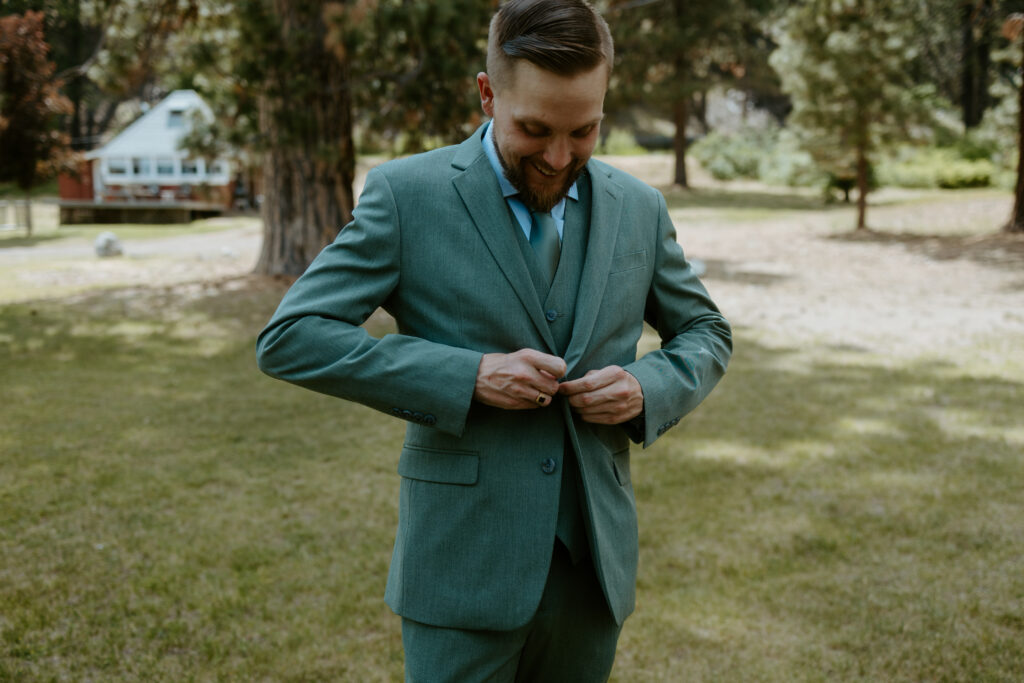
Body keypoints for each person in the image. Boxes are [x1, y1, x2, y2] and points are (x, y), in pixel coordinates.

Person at [256, 0, 731, 679]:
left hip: (593, 572)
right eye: (535, 129)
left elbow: (706, 331)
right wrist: (466, 376)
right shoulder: (405, 195)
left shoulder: (641, 209)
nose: (560, 157)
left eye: (585, 130)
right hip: (461, 565)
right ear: (487, 94)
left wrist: (646, 385)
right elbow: (292, 336)